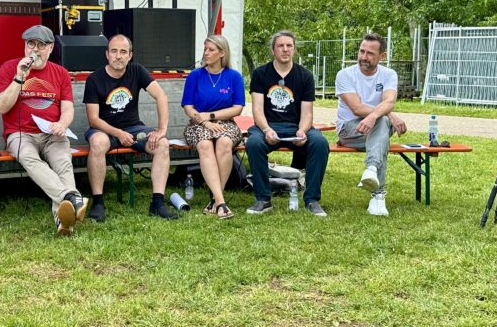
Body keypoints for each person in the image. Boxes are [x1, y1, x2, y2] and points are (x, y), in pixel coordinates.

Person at [0, 25, 88, 236]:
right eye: (31, 44)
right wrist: (19, 77)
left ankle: (64, 221)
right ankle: (71, 197)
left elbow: (68, 108)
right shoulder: (10, 68)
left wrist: (62, 124)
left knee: (63, 163)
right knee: (29, 158)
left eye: (41, 45)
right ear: (24, 46)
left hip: (52, 133)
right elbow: (2, 107)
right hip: (20, 134)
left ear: (51, 48)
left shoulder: (60, 73)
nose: (35, 50)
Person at [83, 34, 178, 222]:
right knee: (98, 142)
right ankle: (98, 202)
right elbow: (93, 119)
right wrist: (118, 133)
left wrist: (161, 130)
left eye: (123, 52)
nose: (118, 56)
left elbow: (161, 96)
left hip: (134, 128)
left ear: (130, 55)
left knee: (162, 144)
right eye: (114, 51)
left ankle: (157, 203)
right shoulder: (94, 79)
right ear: (107, 54)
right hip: (105, 129)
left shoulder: (137, 71)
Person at [246, 30, 330, 216]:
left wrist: (302, 131)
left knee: (320, 143)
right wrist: (266, 129)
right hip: (268, 126)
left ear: (294, 49)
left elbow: (307, 113)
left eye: (289, 46)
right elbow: (257, 110)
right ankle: (263, 199)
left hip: (295, 127)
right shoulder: (260, 73)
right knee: (253, 143)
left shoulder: (305, 76)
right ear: (273, 50)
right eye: (280, 46)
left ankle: (312, 200)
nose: (285, 49)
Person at [335, 32, 407, 216]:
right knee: (382, 128)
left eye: (370, 53)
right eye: (362, 51)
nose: (364, 57)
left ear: (382, 56)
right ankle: (378, 195)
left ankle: (371, 170)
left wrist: (376, 115)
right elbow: (357, 108)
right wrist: (386, 114)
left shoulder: (389, 74)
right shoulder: (345, 75)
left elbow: (389, 101)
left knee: (380, 127)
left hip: (376, 128)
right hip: (349, 130)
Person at [181, 35, 245, 219]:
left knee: (224, 142)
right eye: (205, 49)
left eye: (211, 49)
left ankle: (216, 200)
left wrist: (211, 116)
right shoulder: (195, 76)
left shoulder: (234, 77)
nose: (206, 53)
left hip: (225, 122)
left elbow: (237, 108)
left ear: (222, 53)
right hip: (198, 123)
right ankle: (221, 203)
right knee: (205, 144)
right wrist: (205, 122)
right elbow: (188, 107)